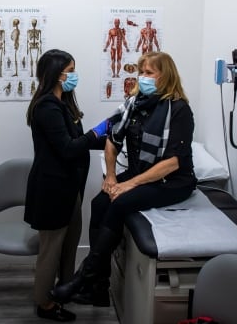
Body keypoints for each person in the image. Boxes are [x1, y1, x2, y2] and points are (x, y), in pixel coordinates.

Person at [50, 51, 197, 307]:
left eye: (150, 72)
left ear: (166, 76)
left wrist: (128, 185)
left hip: (172, 181)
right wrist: (111, 177)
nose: (143, 77)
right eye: (142, 72)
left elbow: (173, 163)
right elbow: (112, 140)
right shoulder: (134, 104)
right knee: (100, 202)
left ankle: (83, 277)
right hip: (142, 172)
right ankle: (98, 288)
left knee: (118, 204)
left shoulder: (180, 110)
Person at [25, 49, 109, 322]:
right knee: (50, 251)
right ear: (56, 75)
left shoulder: (64, 103)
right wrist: (98, 132)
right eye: (70, 70)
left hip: (69, 188)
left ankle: (62, 291)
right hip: (52, 190)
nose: (74, 75)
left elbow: (77, 138)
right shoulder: (47, 107)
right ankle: (44, 304)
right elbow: (68, 148)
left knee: (69, 245)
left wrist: (111, 136)